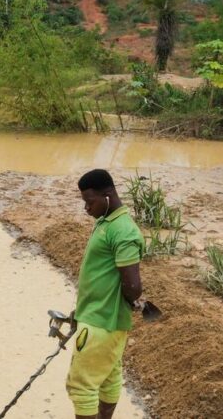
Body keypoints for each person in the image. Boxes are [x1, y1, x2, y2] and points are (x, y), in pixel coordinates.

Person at [67, 169, 143, 419]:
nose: (86, 208)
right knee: (109, 375)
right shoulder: (107, 222)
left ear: (107, 195)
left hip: (101, 322)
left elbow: (132, 286)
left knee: (81, 386)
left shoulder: (123, 231)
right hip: (103, 320)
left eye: (90, 202)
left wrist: (131, 301)